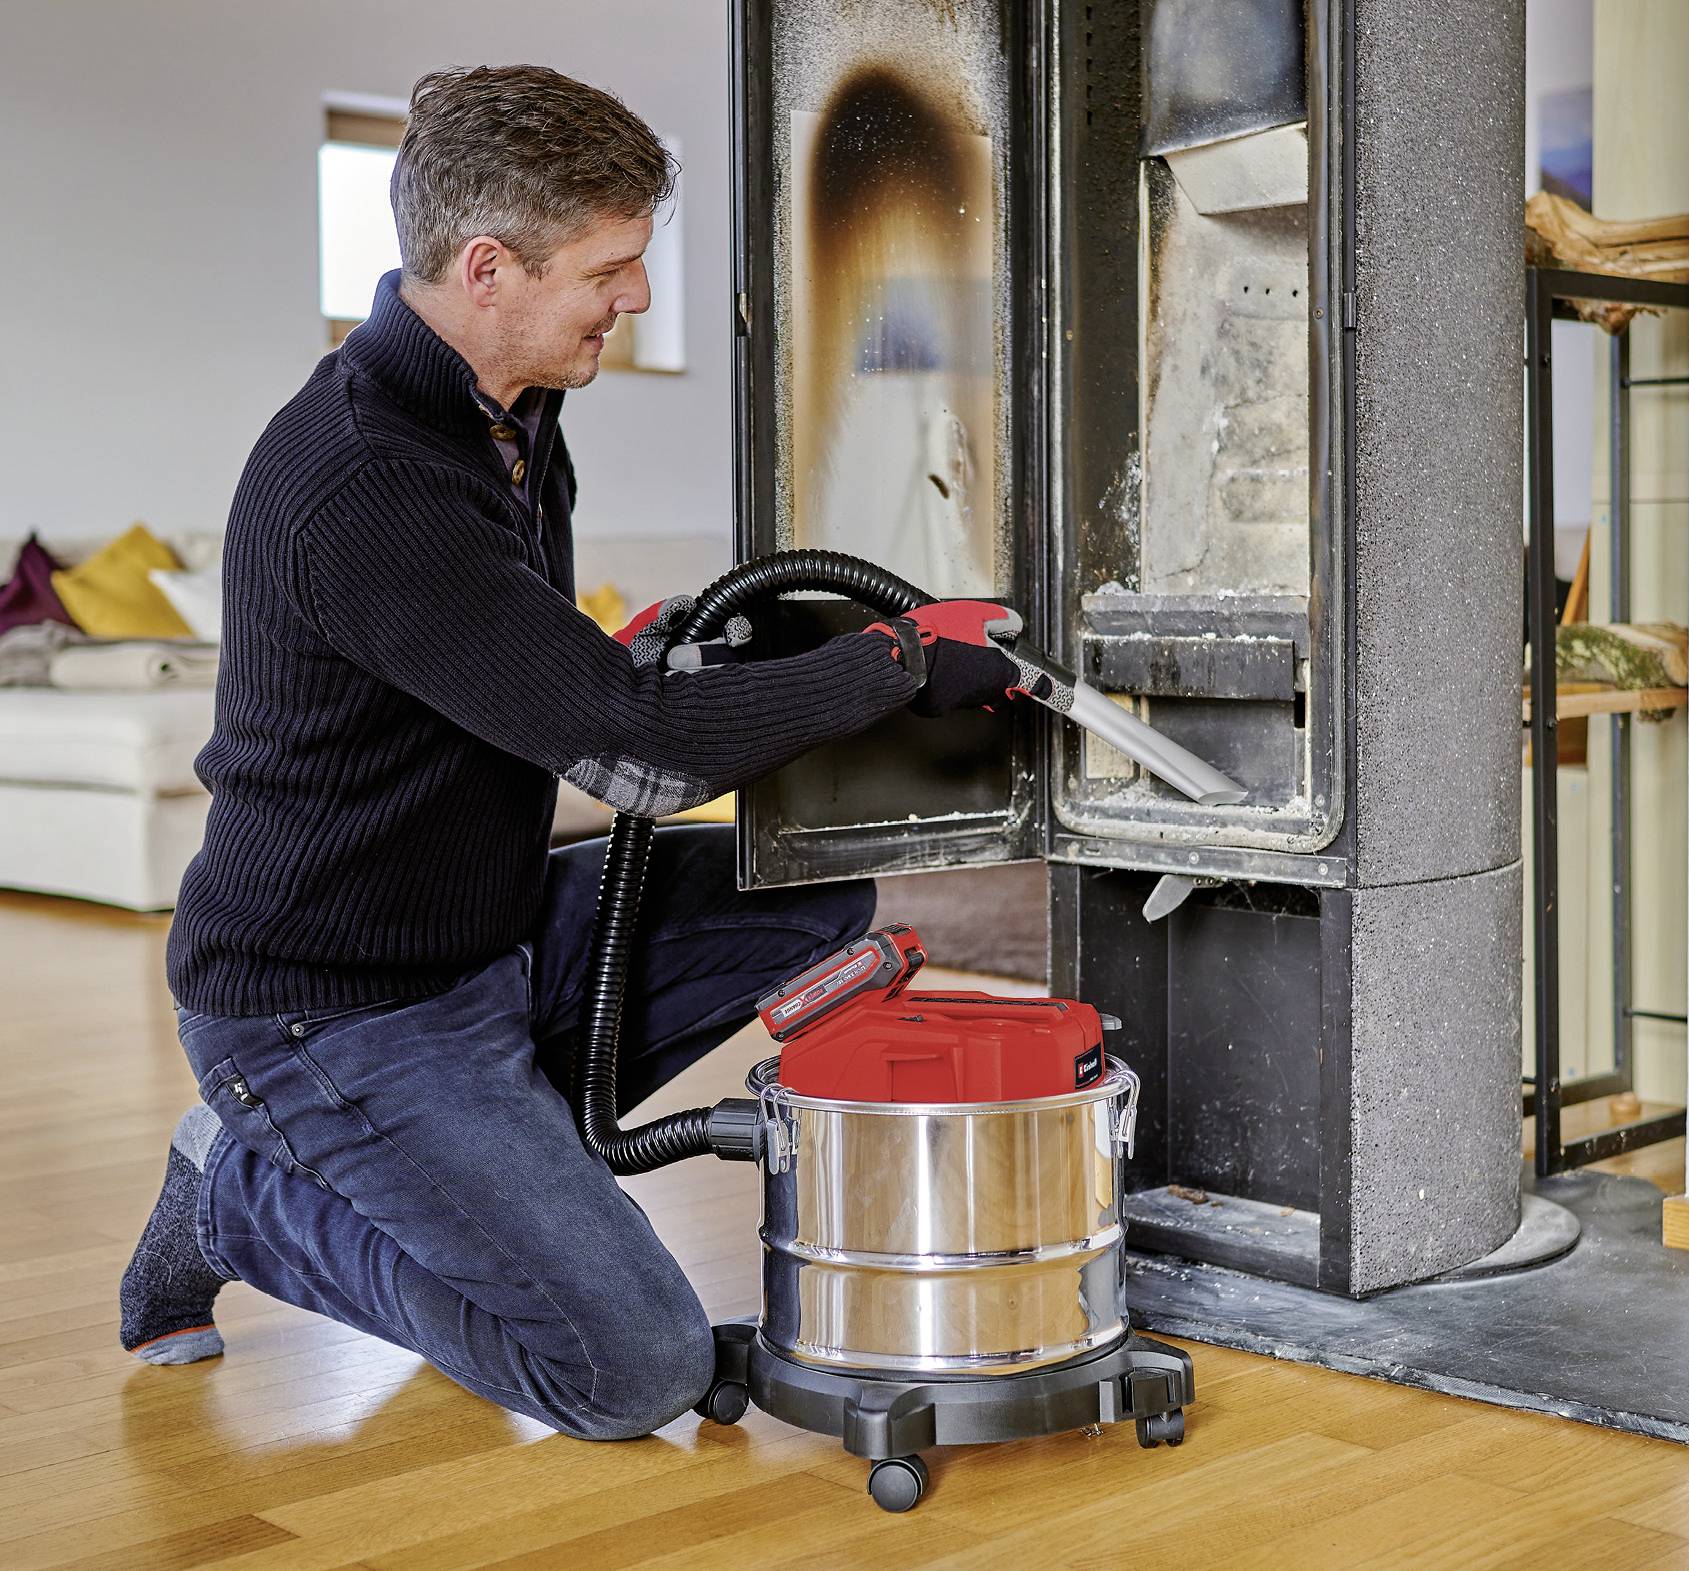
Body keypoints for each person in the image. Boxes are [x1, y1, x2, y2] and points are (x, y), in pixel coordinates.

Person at [117, 64, 1039, 1439]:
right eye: (611, 267)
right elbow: (636, 758)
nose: (639, 296)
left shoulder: (511, 420)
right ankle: (245, 1198)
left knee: (811, 890)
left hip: (478, 942)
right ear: (487, 267)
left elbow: (533, 664)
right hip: (328, 1012)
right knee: (632, 1371)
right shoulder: (370, 477)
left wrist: (646, 650)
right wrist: (898, 665)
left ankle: (484, 1168)